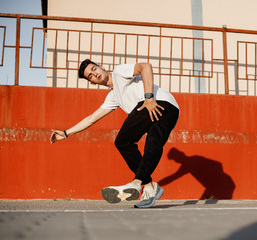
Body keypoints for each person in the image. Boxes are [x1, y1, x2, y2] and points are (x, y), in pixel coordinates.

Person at [50, 59, 179, 208]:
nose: (95, 74)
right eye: (90, 76)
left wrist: (149, 98)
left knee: (122, 141)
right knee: (152, 143)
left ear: (101, 67)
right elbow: (92, 118)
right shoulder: (112, 97)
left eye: (94, 69)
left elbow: (145, 67)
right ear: (92, 83)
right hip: (171, 113)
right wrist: (66, 133)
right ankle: (150, 187)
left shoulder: (119, 72)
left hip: (160, 103)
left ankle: (137, 183)